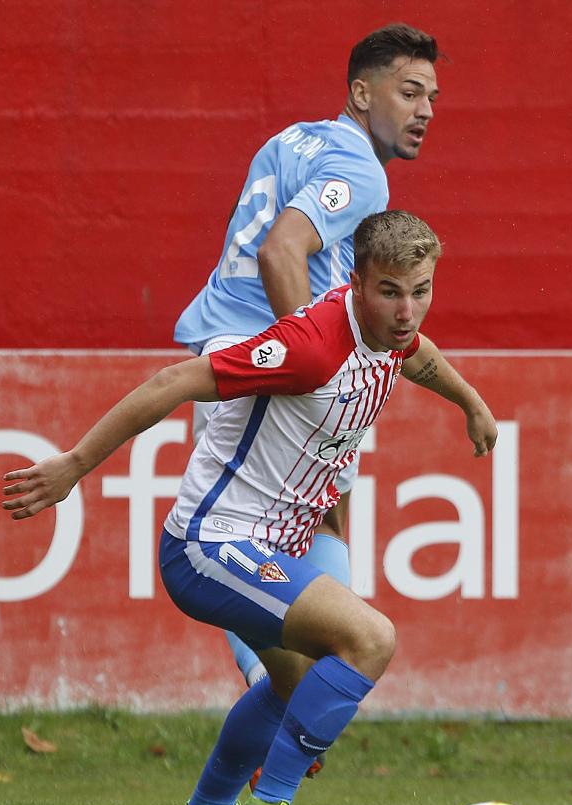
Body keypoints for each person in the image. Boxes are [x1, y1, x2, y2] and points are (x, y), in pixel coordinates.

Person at [2, 211, 496, 805]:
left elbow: (416, 356)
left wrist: (472, 403)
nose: (407, 311)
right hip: (209, 547)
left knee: (291, 685)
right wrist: (74, 464)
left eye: (420, 292)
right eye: (390, 292)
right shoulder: (311, 347)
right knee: (370, 639)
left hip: (262, 546)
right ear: (356, 280)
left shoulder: (390, 334)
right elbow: (177, 381)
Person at [173, 23, 442, 688]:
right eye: (410, 92)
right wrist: (310, 354)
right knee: (257, 559)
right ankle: (282, 697)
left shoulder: (291, 140)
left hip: (232, 346)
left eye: (433, 97)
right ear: (361, 91)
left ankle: (289, 693)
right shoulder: (360, 171)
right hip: (269, 367)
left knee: (313, 520)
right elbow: (281, 250)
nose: (426, 110)